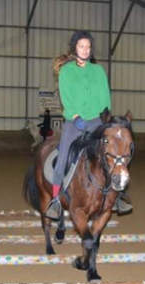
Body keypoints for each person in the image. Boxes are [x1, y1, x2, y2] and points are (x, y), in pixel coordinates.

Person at [45, 30, 133, 220]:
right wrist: (76, 117)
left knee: (115, 153)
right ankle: (55, 200)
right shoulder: (67, 71)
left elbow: (105, 99)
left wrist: (105, 120)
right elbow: (66, 99)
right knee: (63, 156)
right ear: (75, 48)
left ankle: (118, 196)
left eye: (88, 47)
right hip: (75, 121)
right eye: (81, 46)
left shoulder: (98, 71)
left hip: (97, 121)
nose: (85, 50)